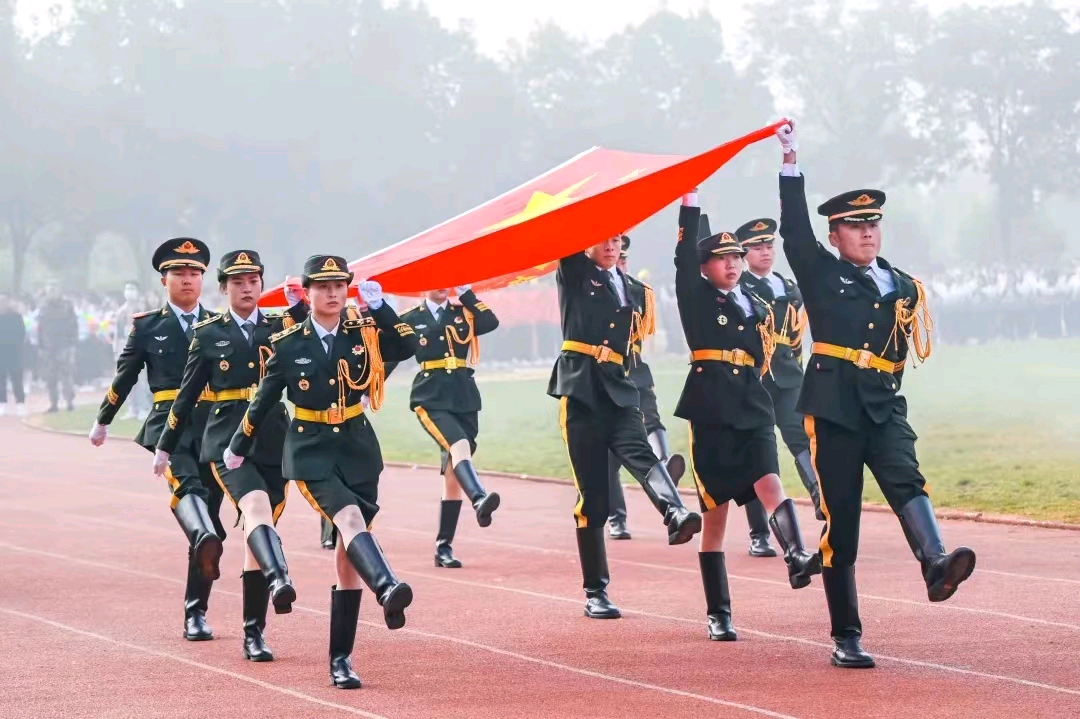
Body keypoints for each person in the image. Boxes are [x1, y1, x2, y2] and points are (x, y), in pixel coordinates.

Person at [774, 121, 976, 668]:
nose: (866, 233)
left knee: (907, 478)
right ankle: (846, 635)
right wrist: (790, 164)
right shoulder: (820, 272)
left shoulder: (903, 285)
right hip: (834, 407)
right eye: (853, 226)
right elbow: (794, 233)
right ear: (835, 235)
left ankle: (935, 562)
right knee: (842, 522)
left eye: (872, 224)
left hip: (883, 405)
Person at [224, 255, 418, 689]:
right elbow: (264, 399)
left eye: (339, 286)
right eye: (323, 286)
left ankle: (340, 659)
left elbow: (409, 348)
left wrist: (382, 309)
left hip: (357, 445)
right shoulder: (290, 342)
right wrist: (239, 445)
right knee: (347, 519)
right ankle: (386, 586)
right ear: (307, 293)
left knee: (347, 555)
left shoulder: (361, 333)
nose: (333, 293)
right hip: (311, 449)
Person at [673, 191, 821, 641]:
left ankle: (796, 555)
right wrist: (690, 200)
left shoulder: (757, 304)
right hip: (711, 407)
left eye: (735, 257)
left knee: (770, 480)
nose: (732, 264)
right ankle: (718, 611)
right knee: (714, 517)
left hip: (753, 403)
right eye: (721, 259)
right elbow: (682, 253)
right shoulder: (695, 295)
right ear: (704, 267)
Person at [153, 250, 308, 662]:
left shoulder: (281, 327)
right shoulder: (208, 334)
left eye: (253, 280)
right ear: (224, 288)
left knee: (257, 530)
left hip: (274, 438)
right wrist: (166, 445)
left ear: (261, 285)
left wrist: (300, 304)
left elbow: (322, 340)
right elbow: (185, 398)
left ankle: (253, 632)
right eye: (237, 282)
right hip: (227, 440)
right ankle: (279, 579)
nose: (246, 288)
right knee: (254, 507)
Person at [549, 235, 702, 620]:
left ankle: (675, 512)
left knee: (642, 452)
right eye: (603, 238)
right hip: (582, 390)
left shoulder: (634, 289)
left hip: (620, 388)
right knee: (594, 497)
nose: (611, 245)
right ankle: (595, 591)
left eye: (617, 239)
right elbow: (566, 234)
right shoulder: (576, 273)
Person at [88, 238, 228, 641]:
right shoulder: (148, 326)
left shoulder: (220, 326)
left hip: (213, 428)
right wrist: (103, 420)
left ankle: (195, 611)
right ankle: (203, 542)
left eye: (194, 274)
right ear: (164, 280)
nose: (187, 280)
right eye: (179, 274)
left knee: (210, 518)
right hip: (170, 426)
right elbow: (125, 375)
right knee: (190, 492)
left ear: (203, 280)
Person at [387, 284, 501, 568]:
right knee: (458, 445)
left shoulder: (463, 312)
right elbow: (392, 355)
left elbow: (491, 322)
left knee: (453, 474)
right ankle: (478, 497)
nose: (441, 287)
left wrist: (468, 296)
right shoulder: (411, 318)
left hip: (464, 396)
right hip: (431, 396)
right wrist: (366, 391)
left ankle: (443, 548)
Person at [736, 215, 826, 559]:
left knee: (802, 439)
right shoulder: (740, 287)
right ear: (744, 252)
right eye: (757, 247)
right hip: (753, 381)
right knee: (759, 455)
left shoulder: (788, 287)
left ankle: (820, 498)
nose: (765, 251)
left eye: (768, 245)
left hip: (788, 378)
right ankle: (760, 532)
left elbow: (797, 337)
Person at [605, 235, 685, 541]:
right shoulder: (596, 288)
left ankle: (665, 465)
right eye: (617, 257)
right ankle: (617, 517)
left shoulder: (637, 293)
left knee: (651, 418)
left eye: (625, 258)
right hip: (607, 373)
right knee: (610, 453)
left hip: (635, 368)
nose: (620, 262)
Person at [114, 280, 153, 421]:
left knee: (143, 380)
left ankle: (144, 408)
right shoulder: (121, 311)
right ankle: (132, 408)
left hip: (141, 348)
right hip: (125, 348)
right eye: (127, 289)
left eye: (132, 289)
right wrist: (116, 350)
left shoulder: (143, 309)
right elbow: (117, 333)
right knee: (127, 380)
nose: (129, 292)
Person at [37, 282, 78, 413]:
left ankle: (69, 401)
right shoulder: (43, 307)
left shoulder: (67, 306)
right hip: (48, 346)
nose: (52, 293)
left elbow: (73, 326)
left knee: (66, 375)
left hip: (64, 345)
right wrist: (41, 346)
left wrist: (72, 345)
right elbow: (40, 328)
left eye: (54, 290)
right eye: (49, 290)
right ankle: (53, 403)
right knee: (51, 377)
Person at [0, 293, 27, 416]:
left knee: (17, 378)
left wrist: (17, 345)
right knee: (1, 379)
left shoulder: (16, 317)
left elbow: (22, 333)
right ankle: (2, 404)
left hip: (15, 352)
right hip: (1, 352)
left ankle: (20, 404)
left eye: (4, 301)